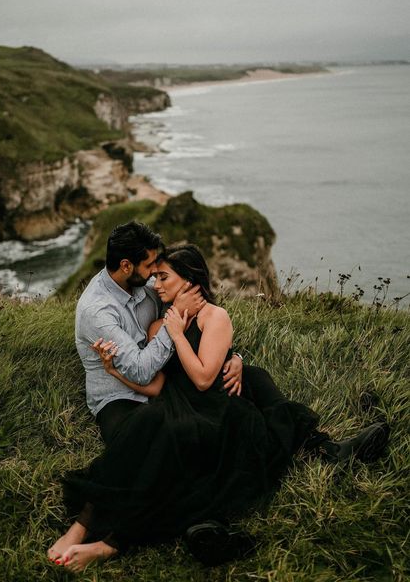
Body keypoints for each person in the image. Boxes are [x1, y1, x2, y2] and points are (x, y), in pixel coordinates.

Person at [48, 240, 389, 571]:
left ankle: (112, 543)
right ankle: (96, 528)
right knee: (153, 433)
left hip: (213, 408)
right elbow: (158, 384)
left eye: (164, 276)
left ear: (189, 281)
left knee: (209, 424)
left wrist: (195, 341)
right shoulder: (159, 324)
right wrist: (113, 370)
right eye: (155, 275)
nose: (155, 282)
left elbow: (202, 380)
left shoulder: (213, 317)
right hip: (176, 403)